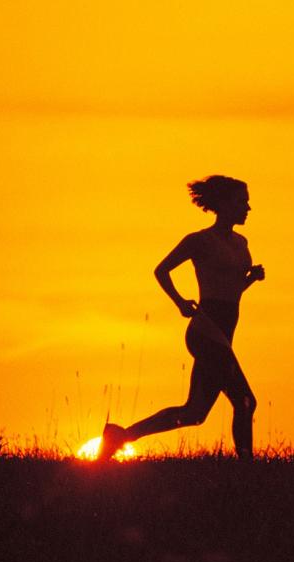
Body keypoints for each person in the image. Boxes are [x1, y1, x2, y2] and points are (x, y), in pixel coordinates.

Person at [98, 175, 265, 460]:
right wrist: (179, 302)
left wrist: (250, 280)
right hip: (206, 329)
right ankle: (247, 468)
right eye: (242, 201)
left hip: (224, 332)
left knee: (195, 412)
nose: (248, 207)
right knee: (245, 400)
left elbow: (230, 291)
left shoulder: (242, 242)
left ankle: (120, 436)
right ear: (223, 204)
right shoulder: (199, 241)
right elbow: (161, 270)